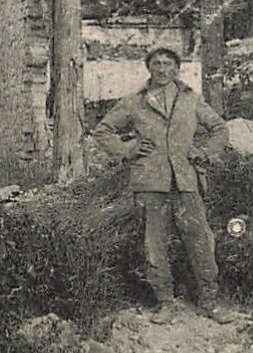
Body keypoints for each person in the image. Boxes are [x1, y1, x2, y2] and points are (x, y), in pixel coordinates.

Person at [91, 47, 235, 323]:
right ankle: (165, 302)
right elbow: (103, 130)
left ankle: (209, 300)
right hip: (150, 181)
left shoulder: (191, 99)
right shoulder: (135, 102)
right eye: (156, 63)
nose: (162, 69)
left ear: (177, 68)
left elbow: (219, 128)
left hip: (185, 179)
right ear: (149, 68)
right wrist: (129, 148)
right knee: (153, 243)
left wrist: (203, 153)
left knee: (200, 239)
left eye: (168, 63)